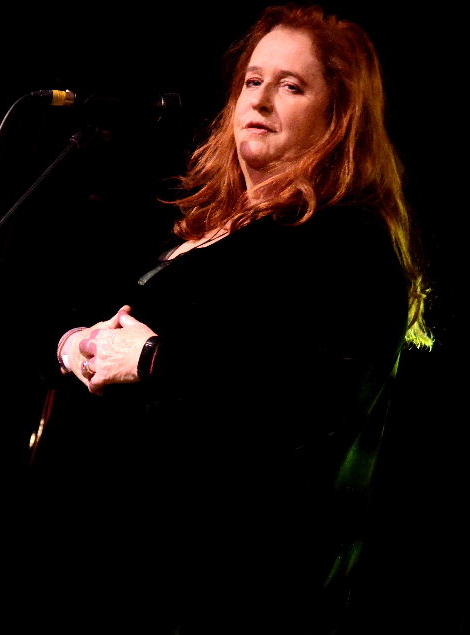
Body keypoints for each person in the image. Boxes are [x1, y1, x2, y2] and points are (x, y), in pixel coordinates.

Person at [40, 4, 431, 634]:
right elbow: (101, 320)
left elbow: (303, 394)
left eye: (292, 86)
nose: (262, 99)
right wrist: (74, 344)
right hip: (105, 559)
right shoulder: (206, 228)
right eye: (253, 80)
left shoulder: (347, 241)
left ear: (338, 117)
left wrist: (152, 361)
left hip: (216, 587)